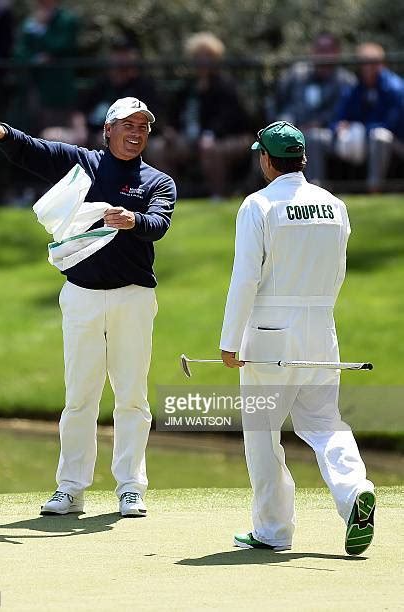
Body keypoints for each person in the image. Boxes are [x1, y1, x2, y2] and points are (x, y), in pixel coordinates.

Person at [0, 97, 177, 517]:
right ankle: (71, 488)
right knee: (79, 396)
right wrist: (2, 132)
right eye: (128, 125)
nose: (136, 133)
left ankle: (130, 487)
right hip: (81, 295)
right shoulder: (82, 163)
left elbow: (159, 223)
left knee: (131, 396)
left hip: (133, 296)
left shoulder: (158, 181)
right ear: (108, 129)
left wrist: (132, 220)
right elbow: (34, 151)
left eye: (143, 127)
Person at [219, 121, 375, 555]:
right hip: (322, 329)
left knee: (263, 432)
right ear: (301, 158)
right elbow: (338, 271)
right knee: (325, 422)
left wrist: (229, 339)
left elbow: (245, 278)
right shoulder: (334, 204)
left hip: (270, 334)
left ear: (266, 160)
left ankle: (273, 530)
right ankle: (354, 489)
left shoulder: (258, 205)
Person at [149, 32, 253, 199]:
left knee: (209, 148)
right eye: (198, 56)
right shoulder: (187, 88)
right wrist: (170, 130)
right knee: (157, 148)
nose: (202, 61)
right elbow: (171, 114)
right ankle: (169, 194)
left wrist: (211, 134)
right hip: (189, 139)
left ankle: (218, 194)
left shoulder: (225, 86)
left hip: (224, 138)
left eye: (207, 56)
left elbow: (231, 118)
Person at [271, 32, 356, 185]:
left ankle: (314, 187)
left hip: (330, 133)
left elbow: (342, 113)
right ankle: (275, 188)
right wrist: (286, 125)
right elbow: (279, 103)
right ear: (312, 51)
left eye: (328, 49)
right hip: (296, 128)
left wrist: (319, 123)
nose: (323, 55)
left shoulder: (346, 81)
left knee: (314, 137)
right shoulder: (296, 75)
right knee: (274, 137)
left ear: (337, 52)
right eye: (319, 49)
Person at [41, 38, 159, 148]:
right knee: (49, 135)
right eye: (116, 53)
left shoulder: (142, 86)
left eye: (124, 53)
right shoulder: (101, 83)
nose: (120, 58)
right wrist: (80, 129)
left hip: (118, 138)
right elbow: (79, 111)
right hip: (89, 133)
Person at [331, 42, 404, 192]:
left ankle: (374, 188)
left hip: (396, 142)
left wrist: (361, 128)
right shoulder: (355, 88)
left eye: (373, 64)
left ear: (382, 64)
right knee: (322, 138)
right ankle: (323, 189)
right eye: (364, 64)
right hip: (361, 140)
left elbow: (392, 125)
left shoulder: (395, 88)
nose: (368, 68)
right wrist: (339, 127)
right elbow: (338, 117)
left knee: (379, 136)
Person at [14, 0, 79, 130]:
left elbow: (62, 45)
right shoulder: (31, 22)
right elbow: (20, 51)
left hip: (58, 86)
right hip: (34, 85)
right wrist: (34, 59)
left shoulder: (67, 20)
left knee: (55, 129)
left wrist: (43, 30)